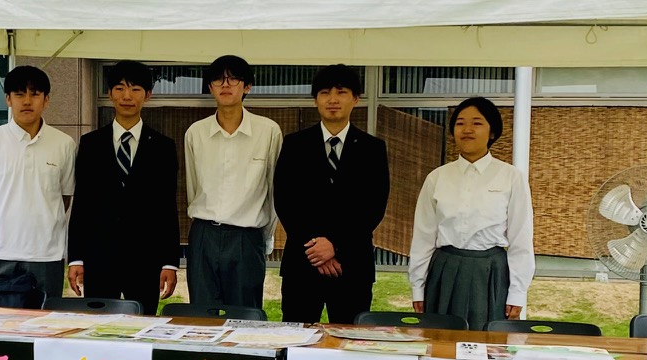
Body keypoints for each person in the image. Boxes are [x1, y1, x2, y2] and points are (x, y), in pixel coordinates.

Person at [274, 64, 388, 325]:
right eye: (325, 93)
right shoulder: (294, 145)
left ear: (356, 99)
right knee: (298, 338)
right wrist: (317, 248)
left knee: (350, 339)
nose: (333, 99)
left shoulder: (372, 149)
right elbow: (285, 201)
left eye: (341, 92)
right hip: (303, 262)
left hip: (352, 265)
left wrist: (335, 245)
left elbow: (373, 207)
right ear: (315, 100)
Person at [409, 95, 533, 330]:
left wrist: (518, 292)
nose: (467, 130)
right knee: (441, 339)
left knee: (489, 340)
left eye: (477, 123)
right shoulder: (437, 178)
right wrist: (418, 286)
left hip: (491, 273)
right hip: (444, 270)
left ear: (492, 132)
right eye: (460, 123)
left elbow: (521, 238)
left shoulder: (511, 177)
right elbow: (423, 237)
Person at [66, 60, 180, 313]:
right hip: (99, 256)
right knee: (98, 325)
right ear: (110, 93)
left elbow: (166, 207)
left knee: (142, 324)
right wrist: (76, 257)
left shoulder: (163, 147)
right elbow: (82, 204)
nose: (127, 96)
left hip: (145, 258)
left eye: (135, 89)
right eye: (119, 88)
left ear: (147, 95)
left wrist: (169, 262)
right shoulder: (90, 144)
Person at [182, 55, 282, 311]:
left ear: (247, 86)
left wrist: (264, 238)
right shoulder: (195, 133)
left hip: (246, 237)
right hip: (204, 235)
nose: (225, 85)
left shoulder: (268, 131)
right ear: (210, 87)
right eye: (218, 79)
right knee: (202, 316)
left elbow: (273, 192)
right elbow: (193, 188)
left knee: (244, 315)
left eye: (233, 79)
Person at [0, 64, 77, 301]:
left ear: (46, 100)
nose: (27, 101)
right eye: (19, 94)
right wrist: (4, 225)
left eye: (35, 94)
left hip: (46, 254)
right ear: (8, 99)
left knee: (45, 320)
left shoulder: (64, 144)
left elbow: (64, 198)